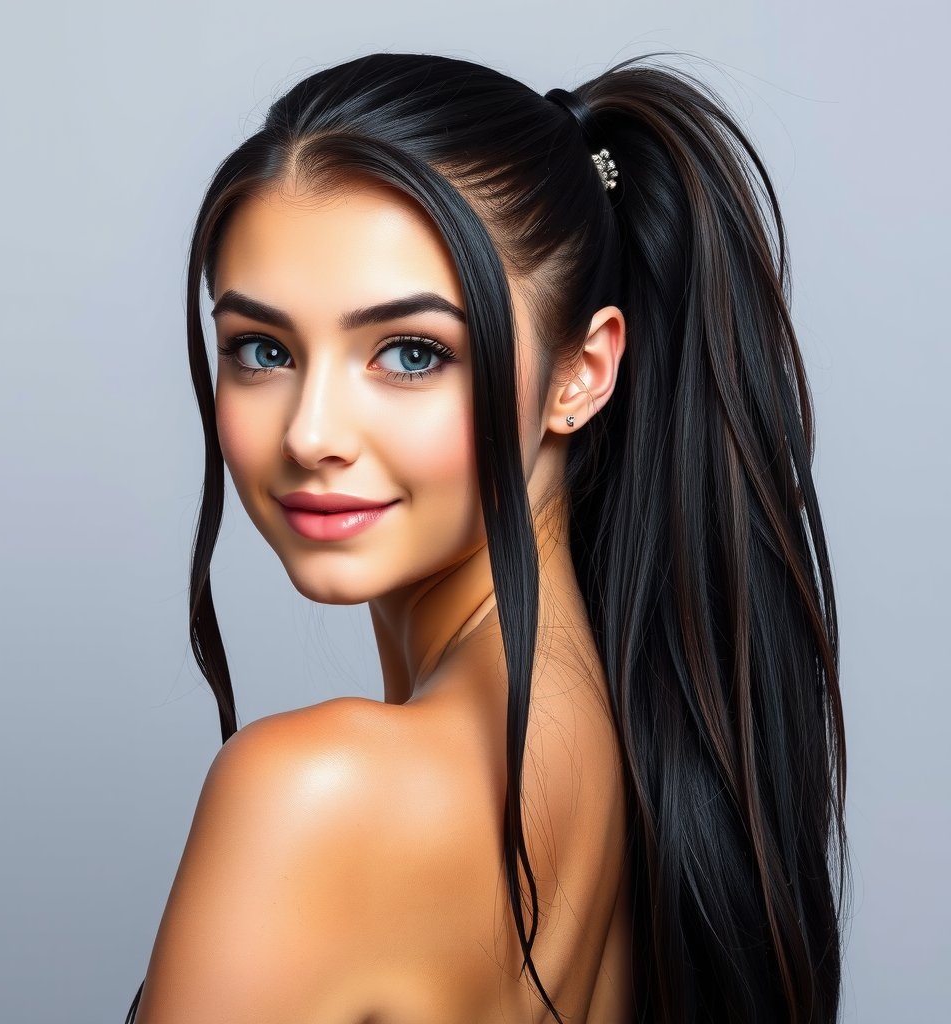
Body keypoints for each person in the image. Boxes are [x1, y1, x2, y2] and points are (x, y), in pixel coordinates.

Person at [125, 51, 848, 1024]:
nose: (310, 433)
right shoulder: (646, 763)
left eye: (411, 353)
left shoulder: (312, 798)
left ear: (579, 373)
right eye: (264, 349)